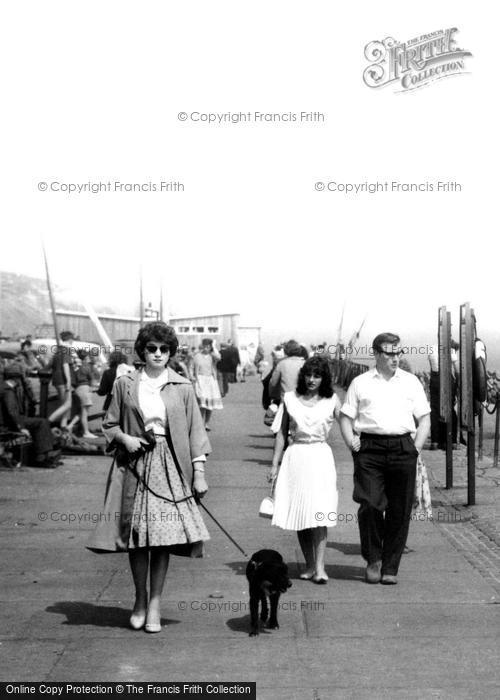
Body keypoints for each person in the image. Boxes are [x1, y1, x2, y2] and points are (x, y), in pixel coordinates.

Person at [87, 322, 210, 633]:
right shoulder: (124, 383)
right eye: (152, 348)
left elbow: (196, 433)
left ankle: (155, 602)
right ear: (142, 351)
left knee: (163, 540)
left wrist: (199, 474)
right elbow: (109, 424)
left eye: (164, 349)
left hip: (171, 467)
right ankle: (140, 598)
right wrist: (125, 440)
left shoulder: (182, 386)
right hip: (135, 466)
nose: (158, 354)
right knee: (139, 540)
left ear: (171, 352)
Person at [339, 333, 430, 585]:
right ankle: (373, 559)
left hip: (403, 448)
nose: (395, 358)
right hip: (369, 448)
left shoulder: (411, 382)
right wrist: (351, 442)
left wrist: (415, 448)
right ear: (376, 354)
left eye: (398, 353)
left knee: (399, 511)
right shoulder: (360, 382)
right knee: (369, 504)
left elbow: (424, 419)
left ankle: (390, 567)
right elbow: (345, 417)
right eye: (390, 353)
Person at [269, 356, 339, 584]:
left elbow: (350, 423)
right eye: (308, 375)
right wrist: (274, 465)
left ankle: (320, 568)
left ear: (324, 378)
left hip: (320, 457)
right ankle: (309, 565)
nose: (311, 380)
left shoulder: (332, 400)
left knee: (320, 513)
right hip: (296, 456)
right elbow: (281, 432)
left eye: (317, 376)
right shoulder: (289, 398)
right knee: (300, 513)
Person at [0, 363, 62, 467]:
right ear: (17, 378)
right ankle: (42, 456)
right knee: (42, 422)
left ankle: (45, 453)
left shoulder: (3, 387)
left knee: (39, 421)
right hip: (7, 422)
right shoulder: (7, 391)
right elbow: (12, 411)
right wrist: (21, 427)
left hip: (7, 420)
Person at [192, 338, 223, 430]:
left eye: (208, 347)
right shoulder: (197, 356)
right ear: (202, 346)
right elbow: (192, 367)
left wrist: (214, 347)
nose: (206, 348)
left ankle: (206, 423)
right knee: (202, 403)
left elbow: (219, 357)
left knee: (210, 405)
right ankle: (201, 423)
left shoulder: (212, 356)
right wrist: (193, 377)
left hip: (210, 380)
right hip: (200, 380)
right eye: (205, 346)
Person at [48, 331, 76, 428]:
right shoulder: (67, 350)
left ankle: (63, 426)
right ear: (70, 339)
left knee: (65, 404)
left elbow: (50, 365)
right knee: (67, 405)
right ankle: (47, 422)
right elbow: (65, 365)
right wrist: (68, 381)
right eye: (72, 339)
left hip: (56, 379)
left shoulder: (58, 350)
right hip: (63, 380)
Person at [72, 350, 98, 438]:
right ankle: (86, 432)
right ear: (86, 358)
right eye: (88, 357)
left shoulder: (76, 367)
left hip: (78, 389)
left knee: (81, 412)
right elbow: (92, 378)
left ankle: (69, 426)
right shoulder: (87, 367)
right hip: (84, 389)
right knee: (84, 413)